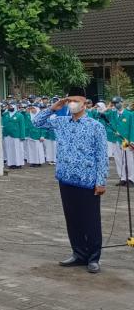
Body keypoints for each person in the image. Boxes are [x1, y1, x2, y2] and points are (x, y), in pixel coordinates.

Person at [33, 88, 107, 273]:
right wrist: (53, 107)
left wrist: (101, 181)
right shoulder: (61, 122)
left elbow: (102, 156)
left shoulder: (95, 126)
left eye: (75, 100)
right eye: (69, 100)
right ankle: (79, 253)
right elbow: (36, 122)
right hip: (66, 178)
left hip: (87, 180)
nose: (72, 103)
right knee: (72, 219)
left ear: (85, 102)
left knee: (90, 221)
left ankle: (93, 258)